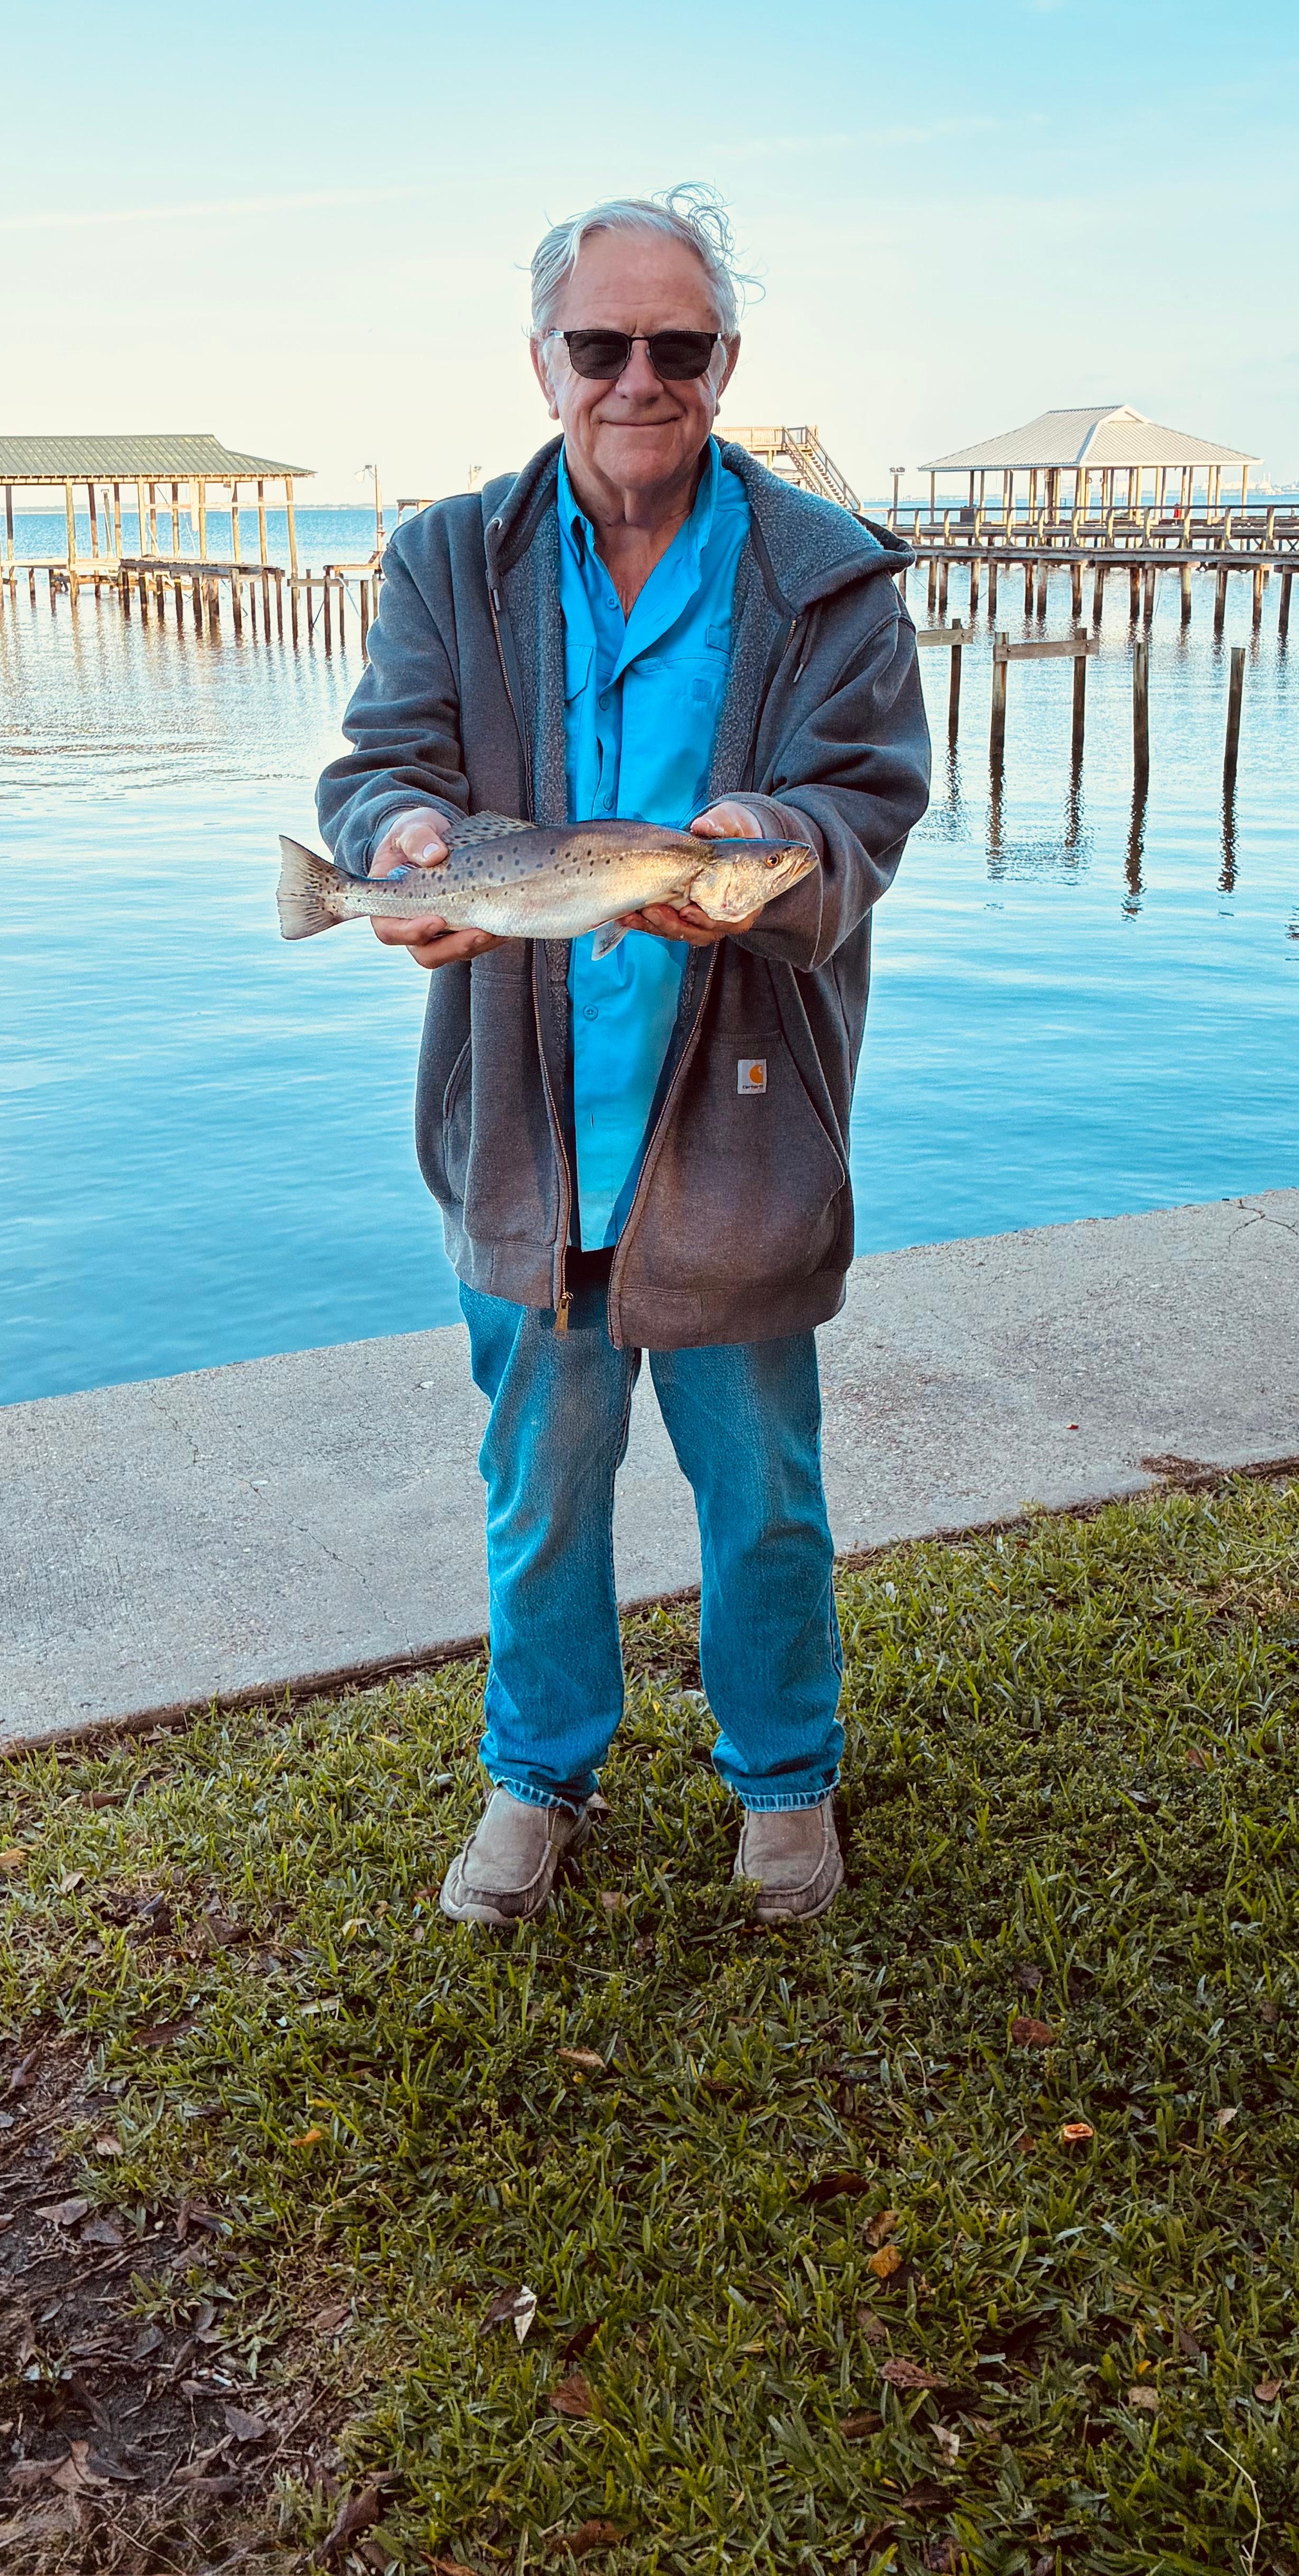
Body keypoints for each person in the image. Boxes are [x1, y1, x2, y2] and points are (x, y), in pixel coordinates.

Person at [314, 186, 929, 1929]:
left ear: (725, 362)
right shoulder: (449, 554)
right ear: (545, 361)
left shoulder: (829, 571)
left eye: (679, 345)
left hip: (738, 1119)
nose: (638, 377)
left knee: (766, 1496)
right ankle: (536, 1777)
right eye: (603, 345)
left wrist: (770, 837)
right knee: (539, 1486)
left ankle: (783, 1784)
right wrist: (409, 839)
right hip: (520, 1115)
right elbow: (381, 760)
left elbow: (867, 796)